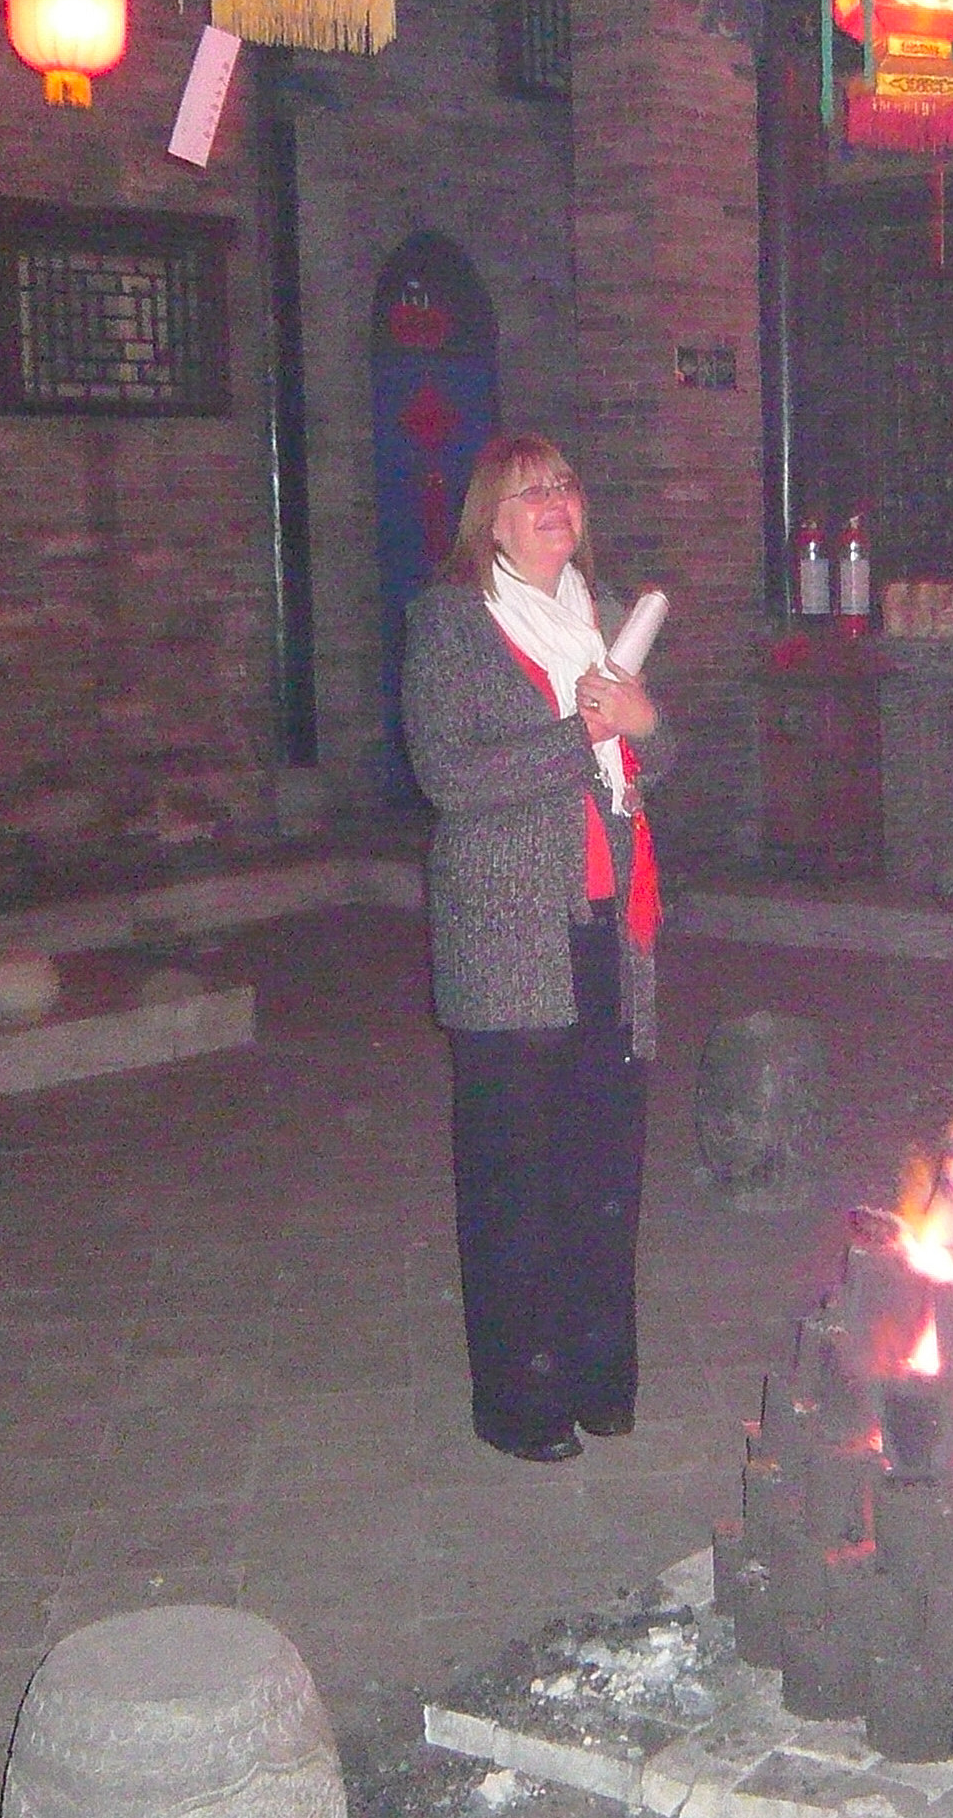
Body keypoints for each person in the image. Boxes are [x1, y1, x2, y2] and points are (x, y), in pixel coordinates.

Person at [402, 434, 672, 1463]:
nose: (554, 502)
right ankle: (519, 1401)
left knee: (604, 1169)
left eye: (563, 484)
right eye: (528, 493)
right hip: (510, 934)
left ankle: (600, 1379)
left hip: (610, 925)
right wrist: (585, 730)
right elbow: (450, 775)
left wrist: (640, 721)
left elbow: (658, 749)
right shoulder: (451, 624)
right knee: (516, 1175)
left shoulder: (604, 615)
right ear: (491, 518)